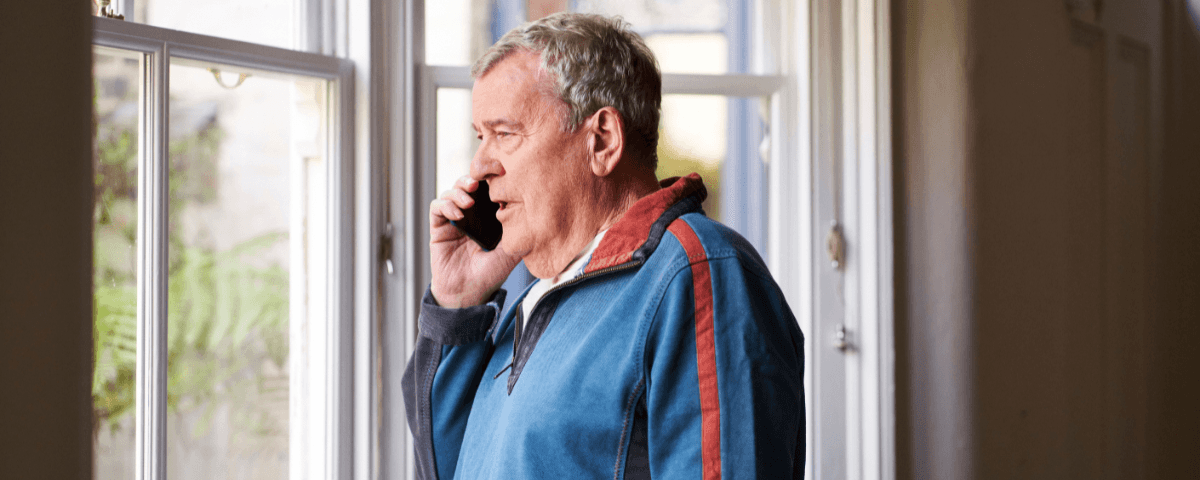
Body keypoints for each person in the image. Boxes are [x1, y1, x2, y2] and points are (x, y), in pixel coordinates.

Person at [402, 12, 805, 479]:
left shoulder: (699, 273)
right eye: (480, 137)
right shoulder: (541, 294)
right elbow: (452, 467)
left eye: (504, 134)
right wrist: (457, 307)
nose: (479, 167)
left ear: (602, 141)